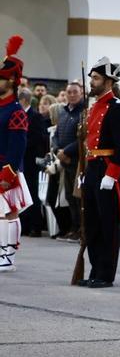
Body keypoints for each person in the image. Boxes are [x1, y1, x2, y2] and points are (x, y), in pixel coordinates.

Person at [80, 57, 120, 288]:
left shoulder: (118, 108)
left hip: (107, 168)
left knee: (107, 223)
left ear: (109, 82)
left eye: (96, 78)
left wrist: (112, 174)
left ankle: (105, 274)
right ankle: (94, 269)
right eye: (91, 78)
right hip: (92, 167)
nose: (92, 82)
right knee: (91, 222)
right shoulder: (94, 107)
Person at [0, 38, 30, 271]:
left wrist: (9, 171)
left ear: (11, 80)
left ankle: (6, 256)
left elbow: (18, 144)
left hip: (6, 167)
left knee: (8, 213)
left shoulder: (16, 111)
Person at [51, 81, 84, 239]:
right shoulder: (63, 112)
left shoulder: (84, 112)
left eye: (75, 92)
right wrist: (58, 150)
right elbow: (56, 134)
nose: (71, 95)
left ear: (81, 93)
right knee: (70, 196)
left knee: (79, 197)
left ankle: (81, 229)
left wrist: (67, 151)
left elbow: (83, 138)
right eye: (69, 92)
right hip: (64, 159)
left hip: (77, 160)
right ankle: (74, 226)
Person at [18, 86, 45, 238]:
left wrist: (21, 143)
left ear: (23, 100)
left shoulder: (35, 116)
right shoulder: (19, 114)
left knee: (32, 193)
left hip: (30, 159)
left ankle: (36, 226)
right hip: (21, 160)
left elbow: (39, 137)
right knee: (22, 192)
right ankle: (25, 225)